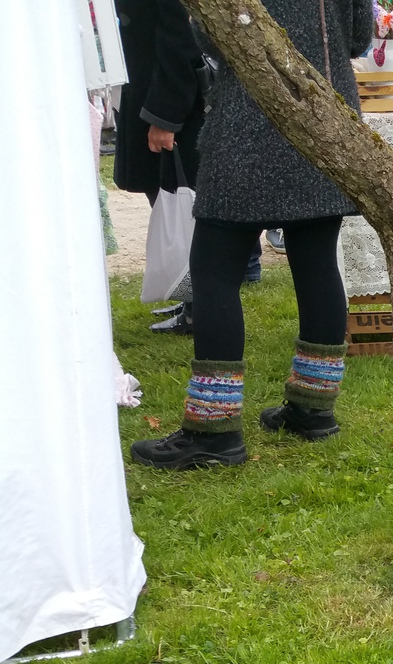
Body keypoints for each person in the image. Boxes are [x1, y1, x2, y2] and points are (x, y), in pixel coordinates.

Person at [130, 0, 373, 470]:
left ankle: (213, 430)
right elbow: (360, 36)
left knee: (214, 270)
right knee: (317, 262)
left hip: (250, 120)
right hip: (324, 115)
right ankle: (312, 409)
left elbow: (211, 34)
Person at [112, 0, 206, 333]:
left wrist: (165, 116)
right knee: (167, 198)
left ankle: (199, 307)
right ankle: (190, 297)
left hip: (169, 100)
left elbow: (180, 39)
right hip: (147, 89)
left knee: (184, 207)